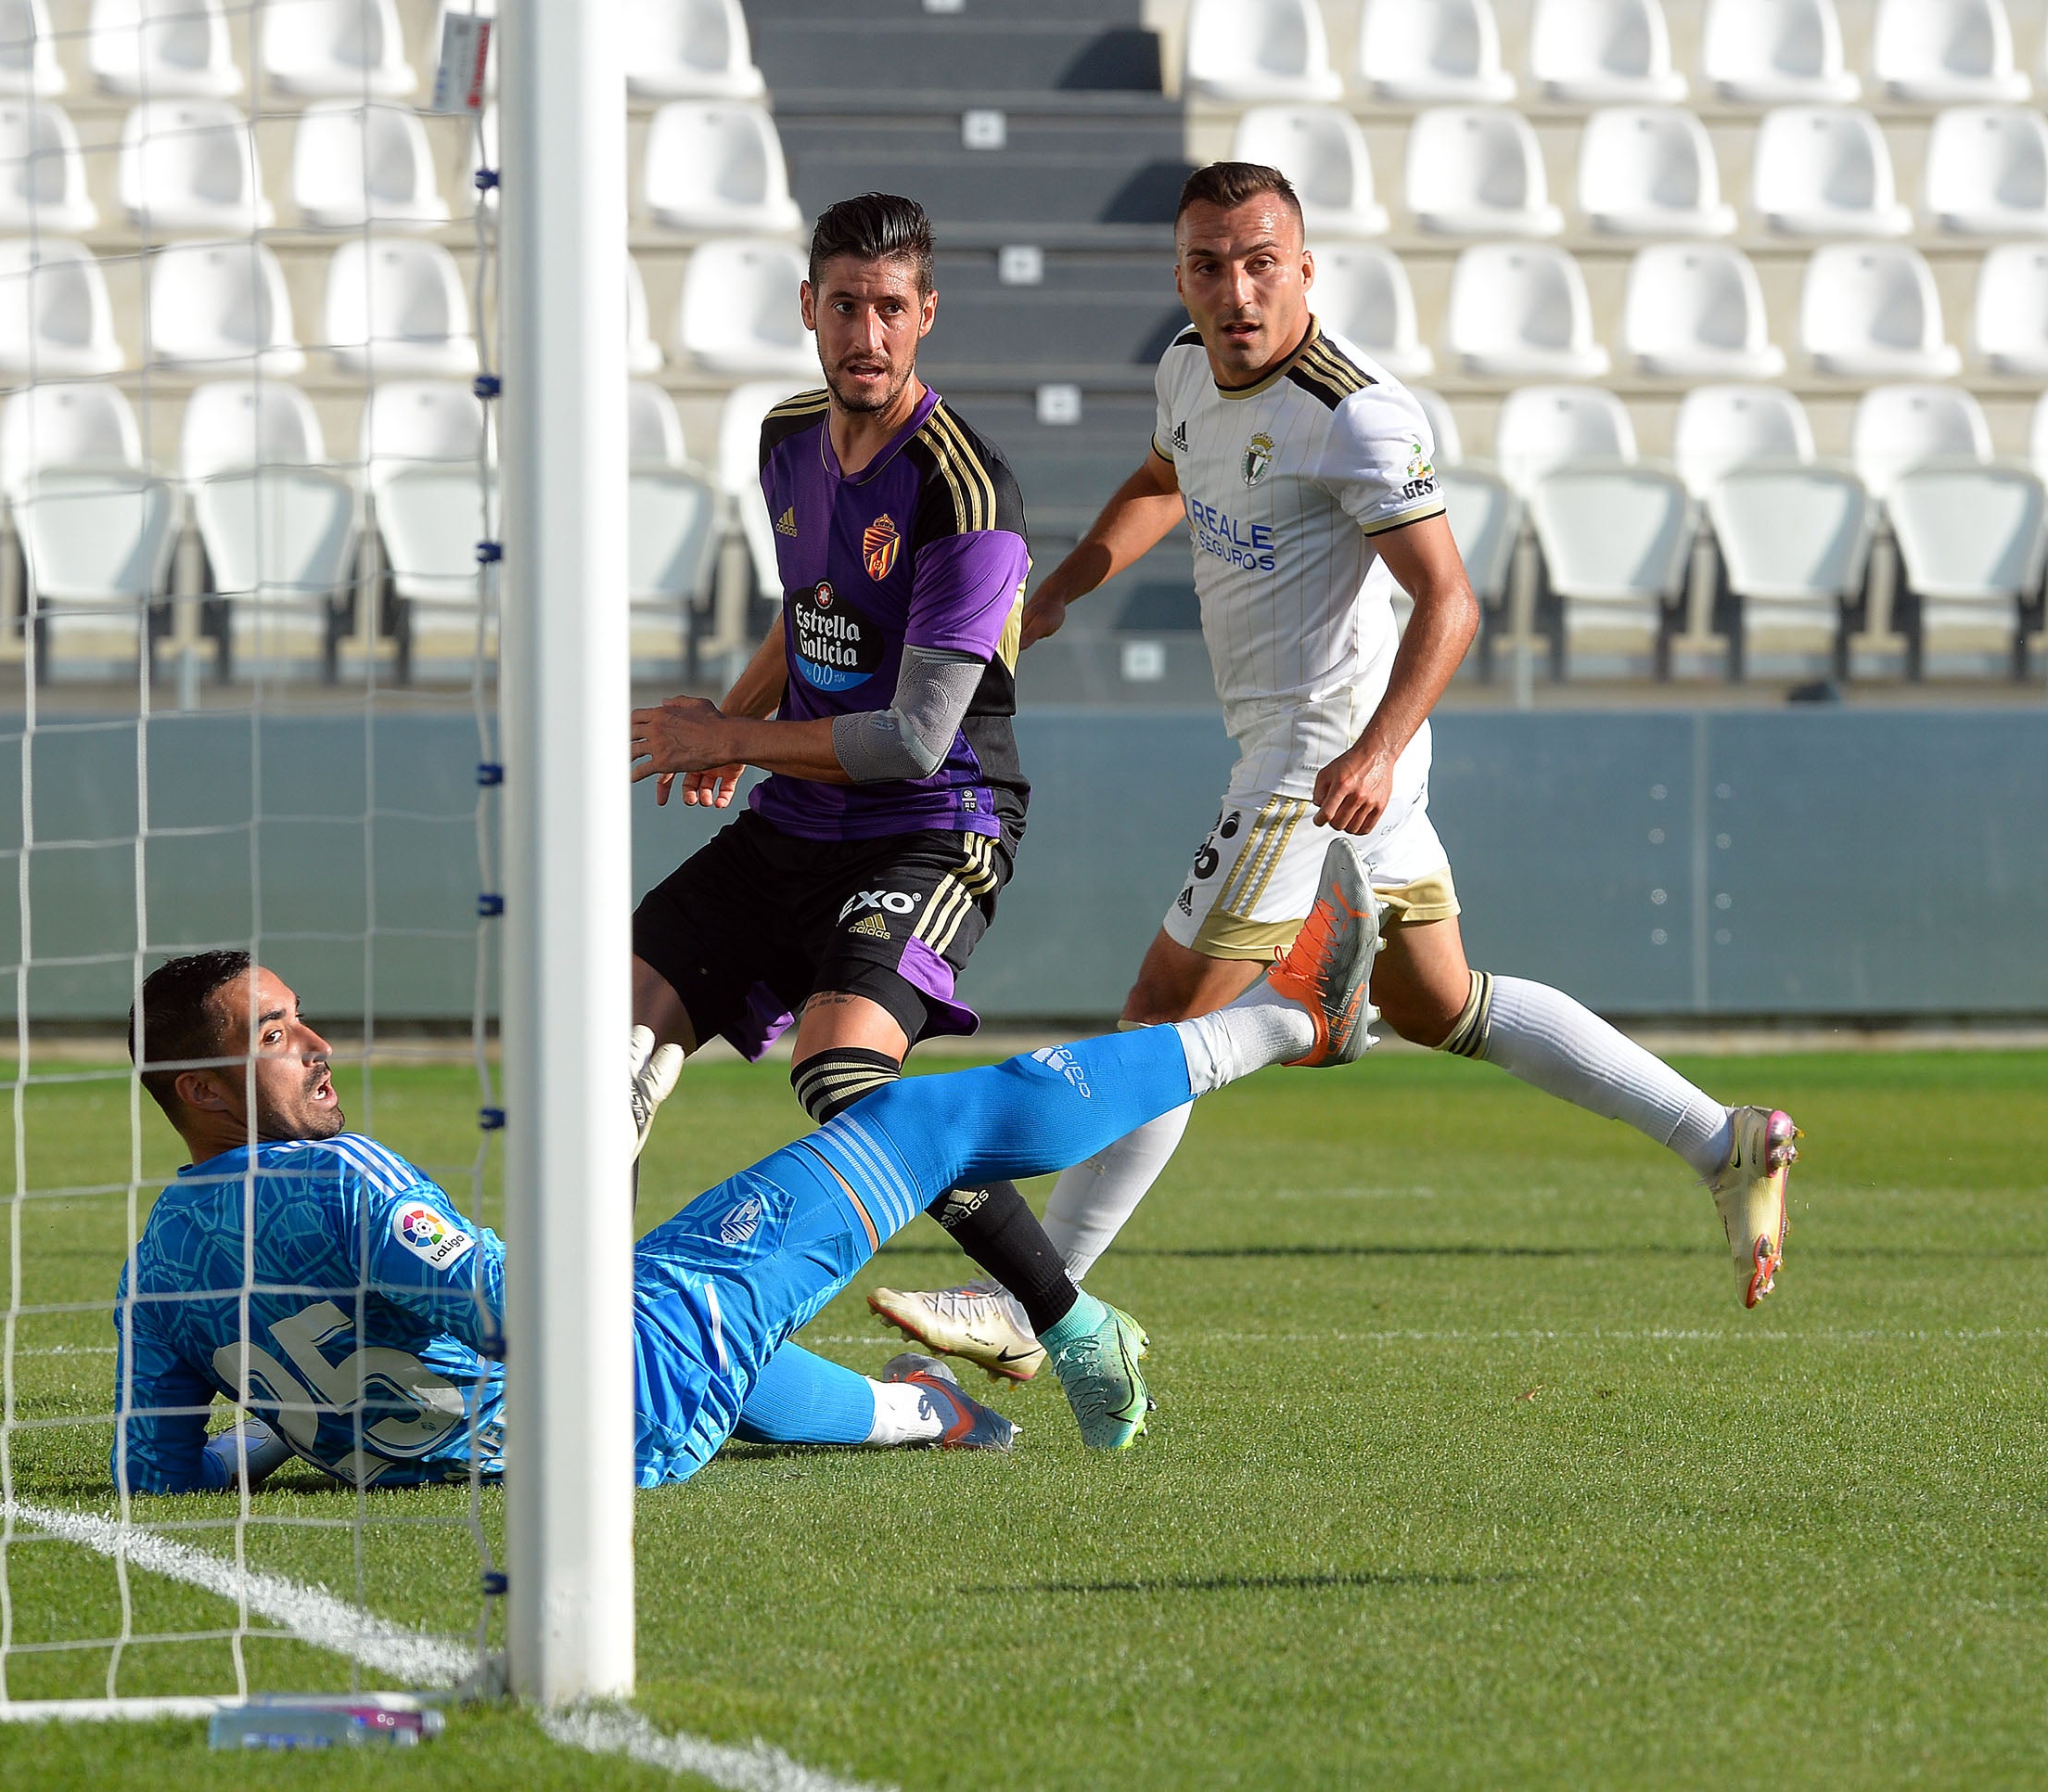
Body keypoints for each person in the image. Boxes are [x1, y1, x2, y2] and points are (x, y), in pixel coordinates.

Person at [868, 162, 1799, 1384]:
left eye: (1261, 261)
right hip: (1321, 755)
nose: (1237, 288)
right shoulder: (1187, 372)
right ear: (1181, 275)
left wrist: (1368, 750)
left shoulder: (1357, 412)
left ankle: (1036, 1302)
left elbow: (1451, 604)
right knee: (1441, 1005)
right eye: (1209, 264)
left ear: (1306, 267)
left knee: (1164, 1017)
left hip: (1320, 762)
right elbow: (1161, 481)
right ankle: (1715, 1138)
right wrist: (1058, 597)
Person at [109, 841, 1380, 1494]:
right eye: (276, 1038)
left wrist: (292, 1428)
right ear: (206, 1091)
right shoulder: (336, 1181)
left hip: (554, 1448)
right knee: (908, 1132)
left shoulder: (155, 1277)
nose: (318, 1045)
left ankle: (926, 1412)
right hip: (626, 1388)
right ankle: (1284, 1018)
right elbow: (522, 1314)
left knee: (715, 1291)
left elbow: (153, 1477)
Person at [621, 191, 1139, 1408]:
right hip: (798, 820)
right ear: (808, 309)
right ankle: (590, 1328)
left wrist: (735, 733)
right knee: (611, 1039)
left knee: (843, 1075)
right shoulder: (783, 437)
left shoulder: (966, 487)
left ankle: (1065, 1325)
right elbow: (806, 611)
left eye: (890, 308)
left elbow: (914, 740)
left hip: (934, 822)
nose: (866, 330)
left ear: (925, 319)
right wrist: (740, 713)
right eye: (844, 304)